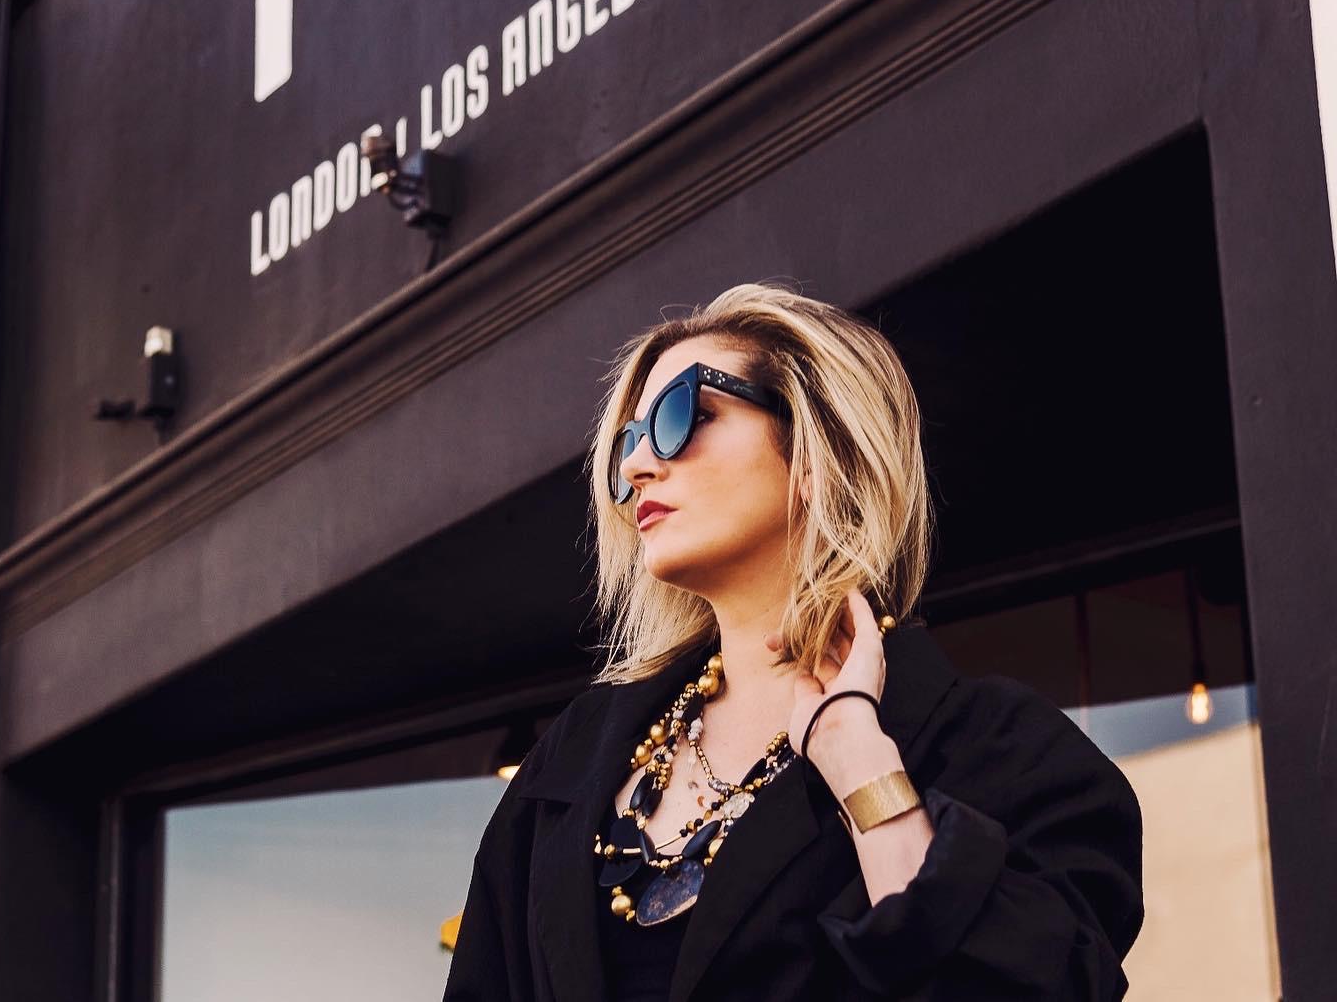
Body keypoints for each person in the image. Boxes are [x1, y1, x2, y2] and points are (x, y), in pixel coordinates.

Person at [443, 281, 1143, 1001]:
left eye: (682, 415)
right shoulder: (574, 758)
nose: (636, 466)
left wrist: (860, 763)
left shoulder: (998, 754)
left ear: (814, 451)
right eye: (632, 439)